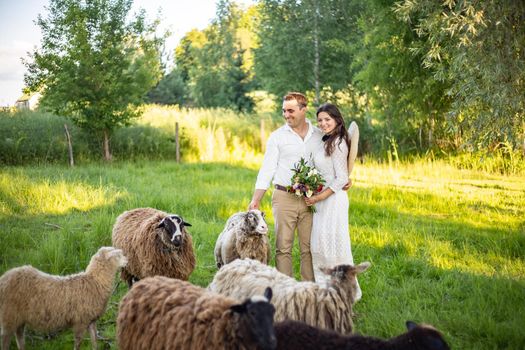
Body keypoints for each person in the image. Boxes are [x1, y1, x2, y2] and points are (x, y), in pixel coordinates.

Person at [248, 92, 323, 281]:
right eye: (284, 111)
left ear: (304, 109)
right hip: (284, 197)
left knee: (309, 248)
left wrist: (345, 179)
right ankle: (285, 291)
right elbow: (267, 169)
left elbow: (329, 163)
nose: (286, 115)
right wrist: (256, 199)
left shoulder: (318, 135)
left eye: (291, 110)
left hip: (311, 199)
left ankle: (309, 291)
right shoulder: (277, 137)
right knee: (283, 247)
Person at [304, 103, 361, 299]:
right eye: (320, 120)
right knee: (318, 245)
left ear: (337, 119)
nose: (323, 123)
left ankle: (344, 291)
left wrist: (320, 196)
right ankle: (325, 289)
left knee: (332, 244)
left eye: (327, 119)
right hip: (321, 199)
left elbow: (341, 178)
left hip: (332, 199)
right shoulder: (325, 140)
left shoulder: (338, 143)